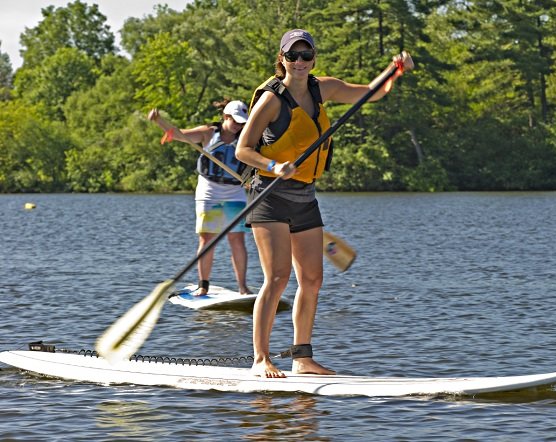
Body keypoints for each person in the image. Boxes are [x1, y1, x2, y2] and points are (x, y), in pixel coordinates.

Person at [236, 29, 414, 378]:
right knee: (277, 278)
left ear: (313, 58)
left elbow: (368, 94)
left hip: (304, 197)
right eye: (293, 56)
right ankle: (261, 359)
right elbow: (243, 149)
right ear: (282, 59)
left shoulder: (323, 88)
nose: (299, 62)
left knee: (313, 279)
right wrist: (274, 166)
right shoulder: (271, 100)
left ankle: (302, 358)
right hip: (269, 196)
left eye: (306, 56)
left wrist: (395, 70)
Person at [149, 100, 252, 295]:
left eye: (242, 122)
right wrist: (159, 121)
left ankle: (242, 286)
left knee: (237, 239)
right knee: (207, 239)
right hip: (209, 192)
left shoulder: (246, 137)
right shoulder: (208, 133)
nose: (239, 126)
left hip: (235, 192)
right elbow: (178, 135)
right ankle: (203, 285)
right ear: (225, 117)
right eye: (235, 121)